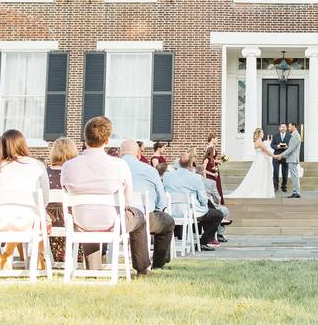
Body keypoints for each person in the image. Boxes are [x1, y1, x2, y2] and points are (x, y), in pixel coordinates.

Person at [61, 117, 154, 276]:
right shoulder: (119, 164)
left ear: (85, 138)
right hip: (112, 222)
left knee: (86, 215)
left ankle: (94, 268)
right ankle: (142, 268)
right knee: (139, 217)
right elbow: (127, 199)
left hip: (80, 222)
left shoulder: (68, 166)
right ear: (107, 140)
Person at [0, 129, 51, 269]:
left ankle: (9, 252)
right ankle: (39, 256)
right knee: (42, 216)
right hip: (28, 222)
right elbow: (44, 200)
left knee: (29, 214)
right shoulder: (37, 165)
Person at [120, 138, 175, 268]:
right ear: (138, 154)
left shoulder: (112, 168)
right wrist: (156, 209)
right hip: (145, 219)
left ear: (119, 153)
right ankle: (158, 263)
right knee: (167, 221)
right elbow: (161, 201)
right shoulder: (150, 170)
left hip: (115, 219)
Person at [163, 152, 224, 250]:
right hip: (189, 212)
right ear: (191, 164)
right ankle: (203, 242)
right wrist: (204, 206)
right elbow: (203, 199)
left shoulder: (167, 176)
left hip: (170, 211)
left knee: (209, 210)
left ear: (179, 162)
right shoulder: (196, 177)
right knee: (218, 214)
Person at [44, 137, 78, 263]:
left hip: (49, 222)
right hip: (71, 222)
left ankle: (52, 255)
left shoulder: (44, 173)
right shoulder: (75, 173)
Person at [227, 127, 275, 199]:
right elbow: (266, 151)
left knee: (260, 175)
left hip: (260, 160)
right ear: (259, 134)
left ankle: (261, 189)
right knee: (261, 175)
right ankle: (260, 190)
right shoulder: (259, 142)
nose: (263, 134)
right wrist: (275, 156)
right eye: (262, 132)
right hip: (261, 161)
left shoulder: (258, 141)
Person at [275, 122, 302, 198]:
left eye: (289, 127)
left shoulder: (296, 136)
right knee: (294, 176)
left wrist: (281, 155)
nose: (288, 128)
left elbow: (291, 149)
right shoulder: (294, 135)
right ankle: (295, 192)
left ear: (294, 126)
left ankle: (296, 192)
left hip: (293, 159)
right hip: (291, 159)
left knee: (294, 176)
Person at [271, 123, 290, 192]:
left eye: (284, 127)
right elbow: (272, 145)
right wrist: (277, 146)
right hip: (276, 156)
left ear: (286, 128)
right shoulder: (275, 136)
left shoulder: (289, 136)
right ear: (279, 128)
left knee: (285, 172)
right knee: (275, 171)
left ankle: (284, 186)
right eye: (282, 127)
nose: (283, 128)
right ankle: (275, 187)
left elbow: (291, 146)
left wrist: (287, 147)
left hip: (285, 156)